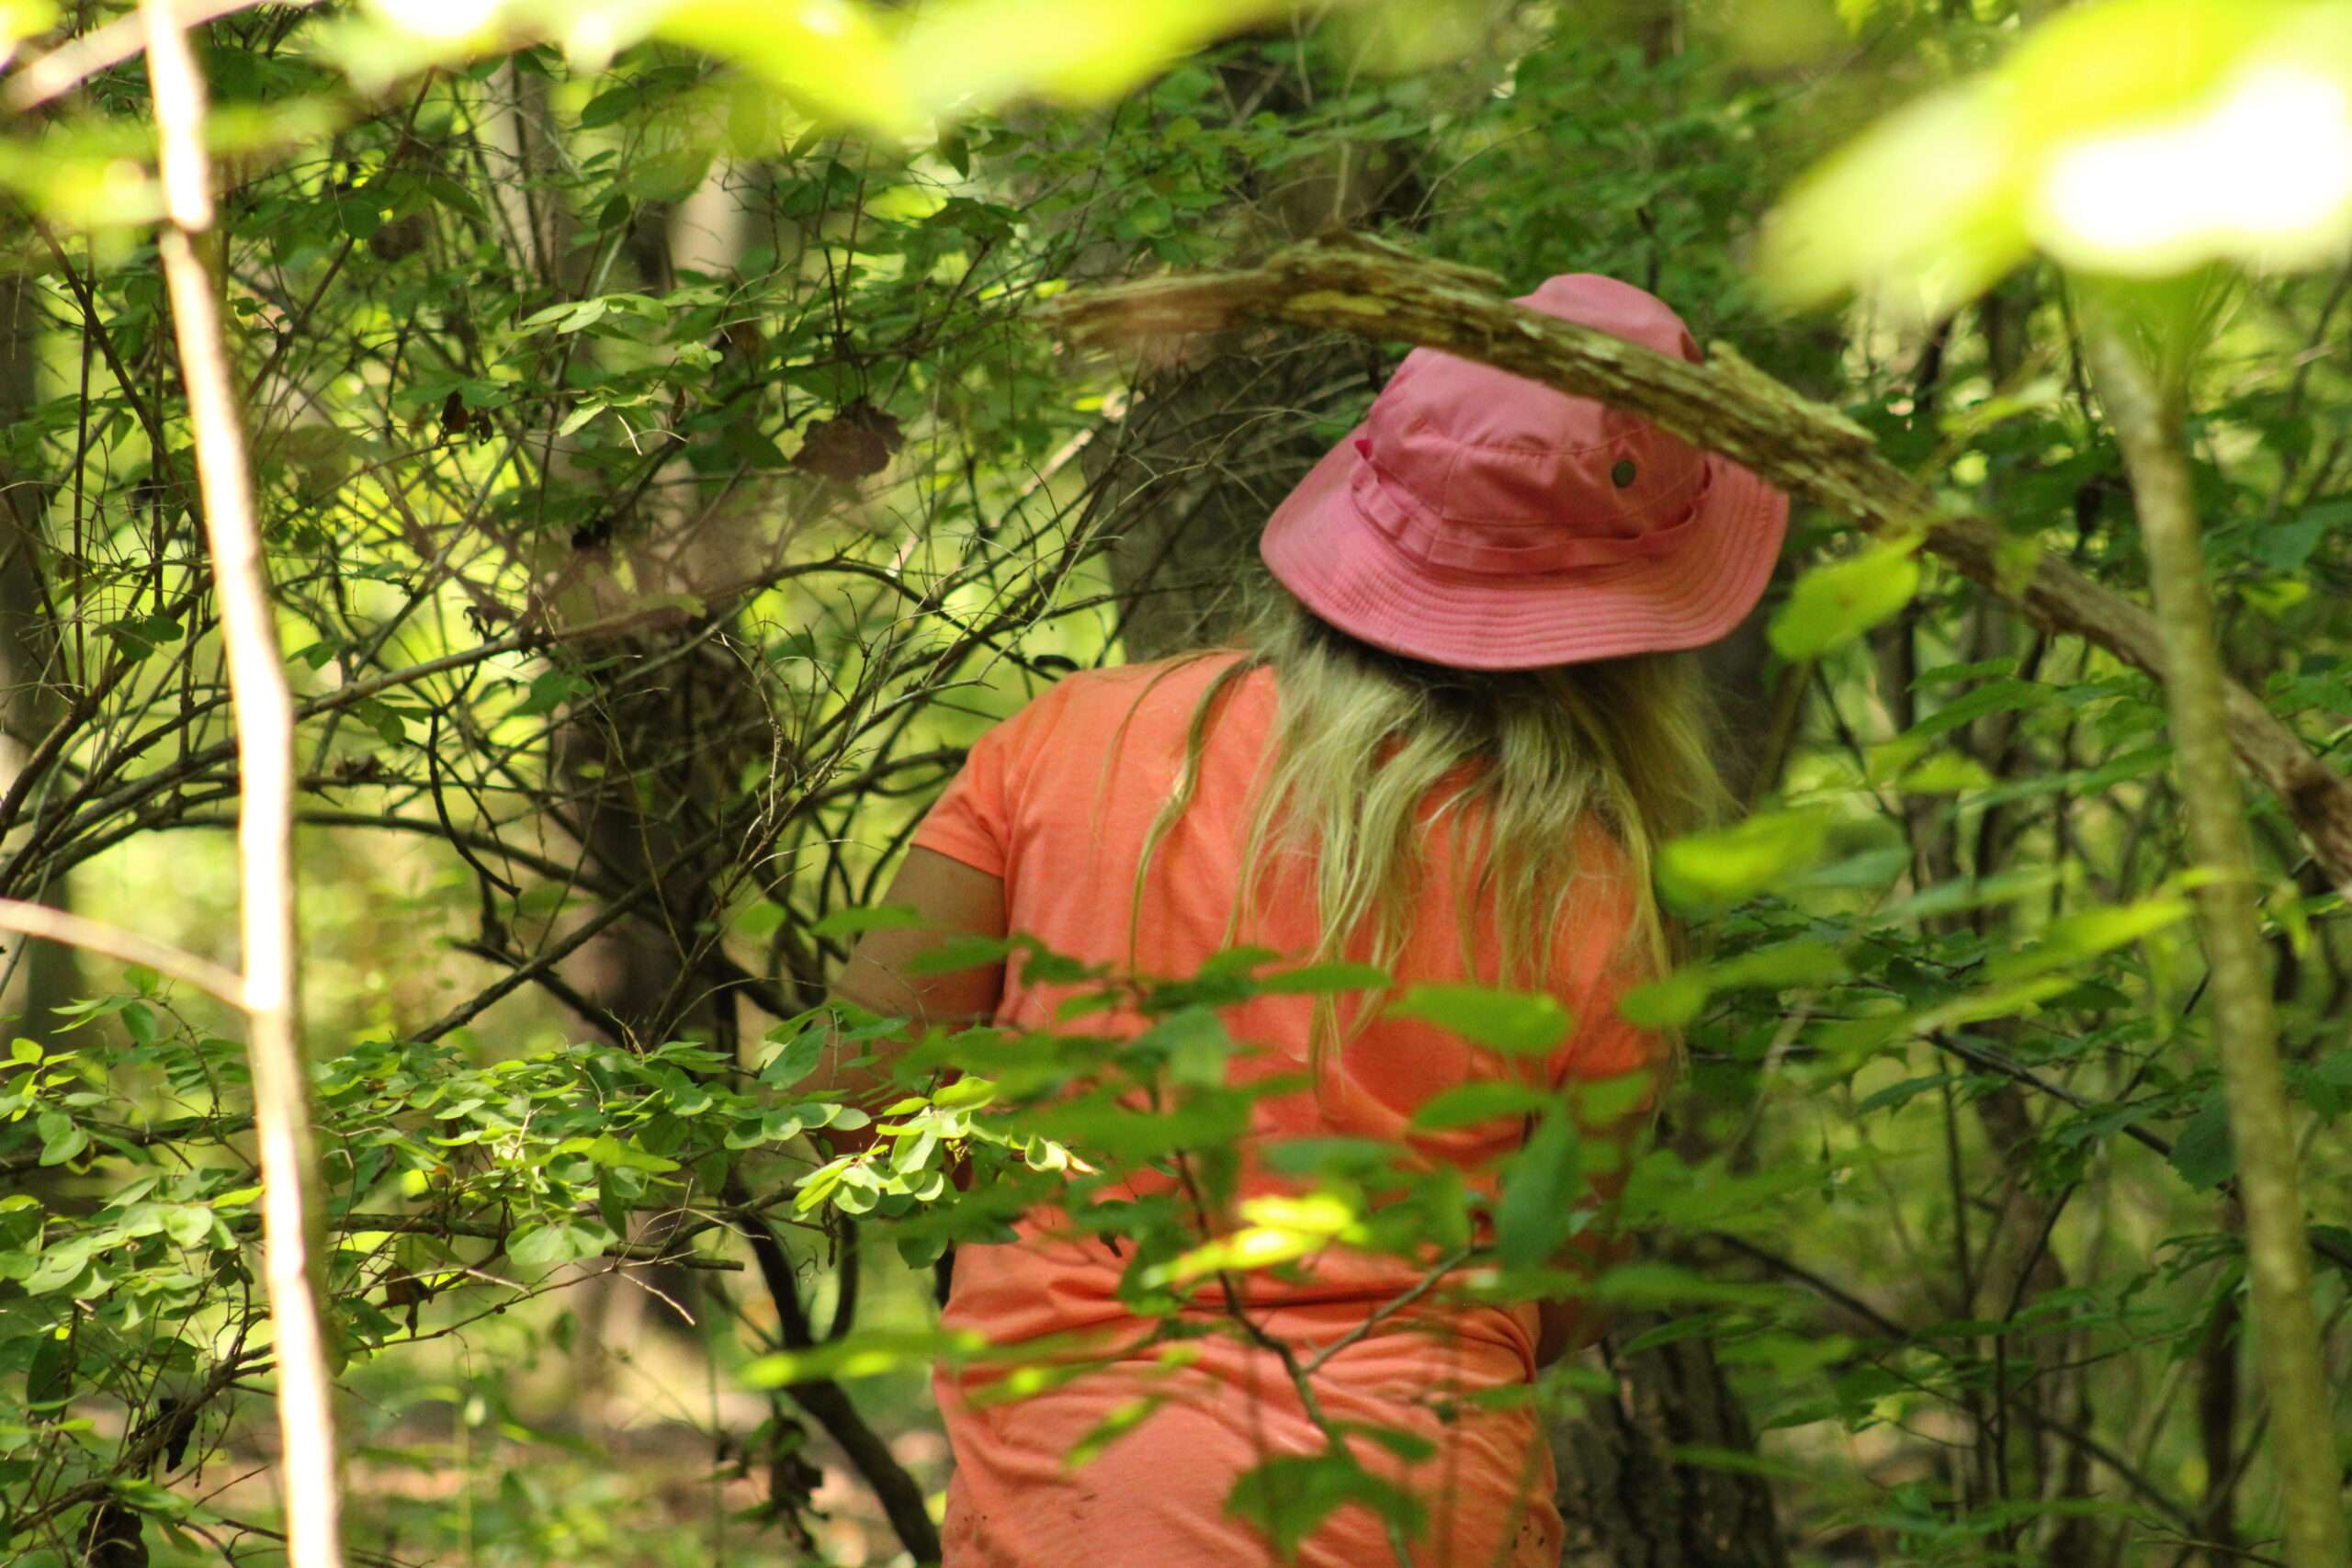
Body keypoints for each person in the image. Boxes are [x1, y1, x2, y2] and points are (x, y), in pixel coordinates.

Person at [824, 273, 1790, 1566]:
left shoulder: (1068, 745)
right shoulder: (1590, 888)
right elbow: (1555, 1296)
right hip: (1418, 1509)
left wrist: (1055, 1222)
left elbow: (850, 1095)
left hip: (1082, 1504)